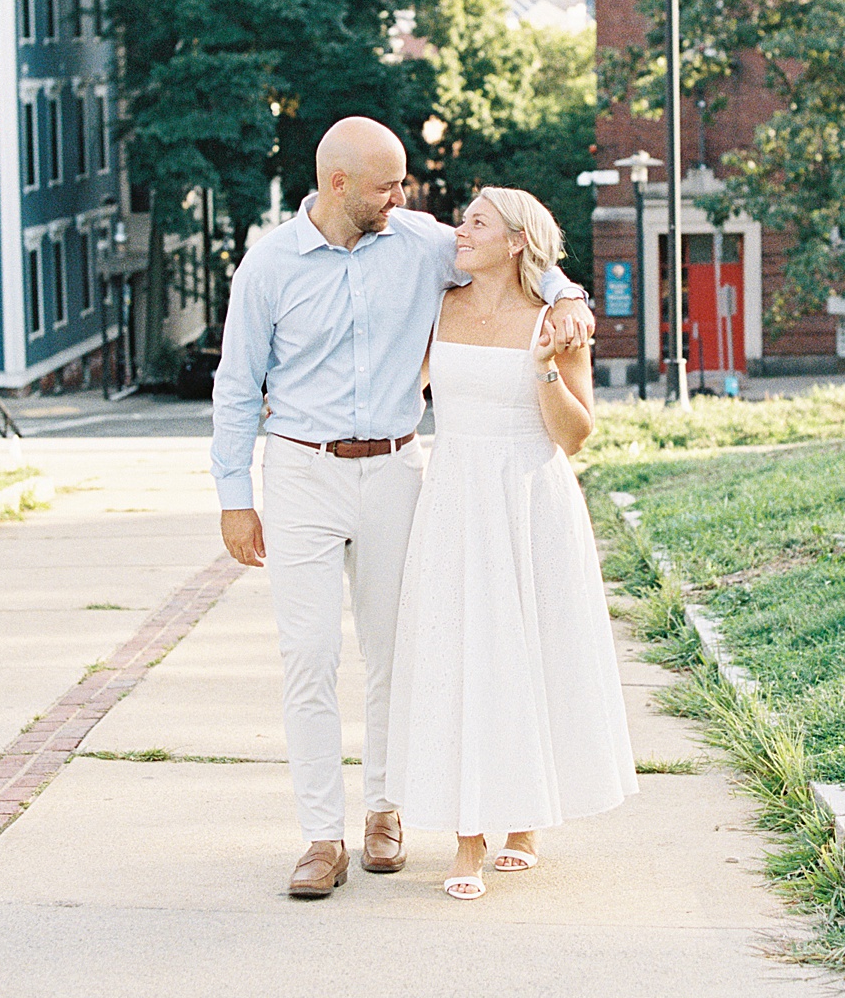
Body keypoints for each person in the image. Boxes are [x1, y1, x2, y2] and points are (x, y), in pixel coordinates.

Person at [211, 118, 593, 899]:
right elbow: (235, 383)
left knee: (394, 653)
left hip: (394, 466)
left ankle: (384, 812)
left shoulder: (420, 240)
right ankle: (322, 836)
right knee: (308, 657)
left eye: (404, 183)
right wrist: (233, 497)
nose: (405, 196)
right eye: (388, 183)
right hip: (299, 469)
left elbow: (524, 262)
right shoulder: (269, 265)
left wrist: (569, 298)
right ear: (338, 183)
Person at [385, 186, 637, 899]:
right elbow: (402, 381)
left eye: (476, 222)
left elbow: (577, 433)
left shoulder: (554, 321)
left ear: (517, 240)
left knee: (527, 652)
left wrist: (546, 367)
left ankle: (523, 821)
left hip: (530, 495)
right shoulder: (439, 308)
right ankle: (466, 836)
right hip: (456, 493)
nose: (460, 231)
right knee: (460, 651)